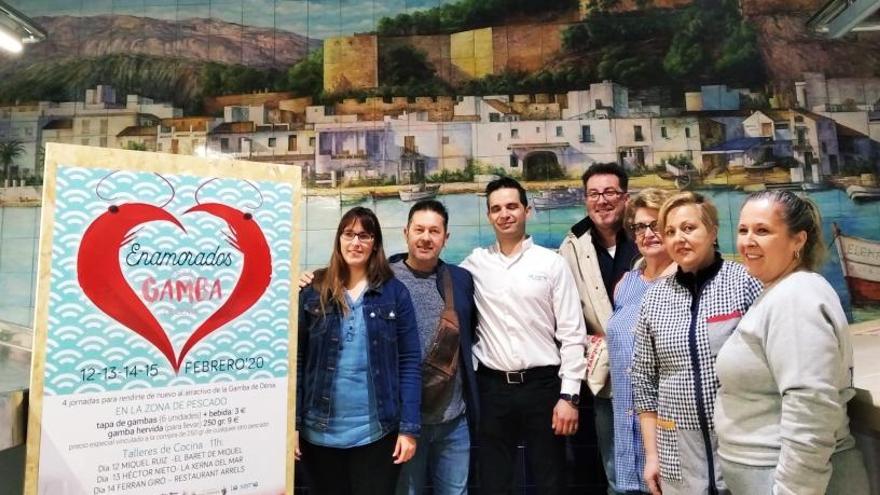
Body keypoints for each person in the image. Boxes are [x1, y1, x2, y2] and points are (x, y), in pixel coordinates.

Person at [714, 190, 869, 495]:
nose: (747, 241)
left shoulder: (797, 296)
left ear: (798, 240)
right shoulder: (777, 291)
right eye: (743, 230)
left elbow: (811, 408)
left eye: (763, 230)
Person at [461, 177, 587, 495]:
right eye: (496, 208)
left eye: (512, 206)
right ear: (489, 216)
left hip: (543, 387)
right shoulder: (476, 263)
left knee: (551, 480)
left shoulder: (552, 263)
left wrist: (569, 396)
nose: (505, 214)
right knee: (493, 481)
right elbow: (431, 270)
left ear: (527, 210)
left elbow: (573, 333)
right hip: (492, 389)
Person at [631, 192, 762, 495]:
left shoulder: (744, 282)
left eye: (689, 228)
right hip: (677, 449)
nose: (679, 238)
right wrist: (652, 457)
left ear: (713, 231)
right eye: (671, 232)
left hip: (740, 440)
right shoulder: (654, 298)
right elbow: (644, 381)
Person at [295, 206, 421, 495]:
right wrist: (293, 426)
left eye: (364, 235)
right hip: (318, 434)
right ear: (338, 239)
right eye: (349, 234)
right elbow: (297, 360)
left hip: (377, 434)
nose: (356, 242)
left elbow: (410, 362)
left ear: (375, 243)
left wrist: (408, 429)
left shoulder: (394, 293)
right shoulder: (313, 289)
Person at [559, 162, 639, 495]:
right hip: (607, 379)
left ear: (625, 197)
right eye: (594, 193)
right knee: (617, 470)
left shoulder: (648, 236)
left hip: (659, 374)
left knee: (666, 465)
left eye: (610, 192)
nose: (602, 201)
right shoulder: (572, 247)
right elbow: (566, 316)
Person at [389, 200, 478, 495]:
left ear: (445, 238)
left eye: (434, 231)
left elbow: (471, 332)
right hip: (403, 422)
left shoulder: (461, 279)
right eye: (419, 229)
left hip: (454, 420)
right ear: (406, 233)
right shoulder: (384, 277)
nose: (426, 237)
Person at [605, 188, 676, 495]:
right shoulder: (626, 284)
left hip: (669, 421)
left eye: (656, 225)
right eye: (639, 227)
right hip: (625, 415)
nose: (648, 233)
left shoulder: (686, 282)